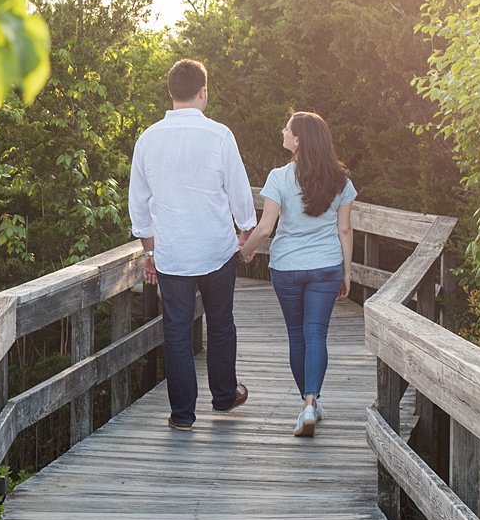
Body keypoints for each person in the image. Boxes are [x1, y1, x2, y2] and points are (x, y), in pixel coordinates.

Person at [129, 59, 257, 431]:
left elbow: (139, 203)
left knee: (176, 332)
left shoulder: (148, 139)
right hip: (217, 249)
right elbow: (237, 189)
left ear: (171, 93)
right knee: (221, 324)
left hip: (172, 254)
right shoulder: (219, 136)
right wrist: (246, 229)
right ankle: (224, 396)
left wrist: (149, 251)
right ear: (203, 91)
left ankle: (183, 415)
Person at [240, 112, 355, 437]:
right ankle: (310, 403)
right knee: (316, 333)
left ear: (299, 139)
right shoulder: (341, 180)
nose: (283, 131)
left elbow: (265, 229)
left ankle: (307, 406)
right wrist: (346, 272)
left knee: (296, 334)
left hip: (287, 267)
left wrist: (244, 252)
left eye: (287, 129)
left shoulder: (279, 177)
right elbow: (344, 229)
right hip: (326, 266)